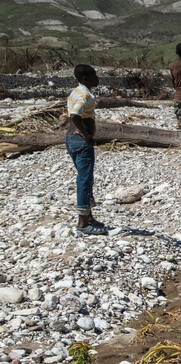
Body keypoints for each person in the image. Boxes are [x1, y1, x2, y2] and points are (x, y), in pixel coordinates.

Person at [63, 64, 107, 236]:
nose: (97, 78)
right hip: (80, 142)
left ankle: (88, 216)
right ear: (85, 79)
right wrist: (86, 135)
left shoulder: (75, 92)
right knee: (84, 180)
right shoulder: (85, 95)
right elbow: (75, 115)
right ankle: (82, 223)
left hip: (71, 140)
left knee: (86, 179)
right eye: (94, 76)